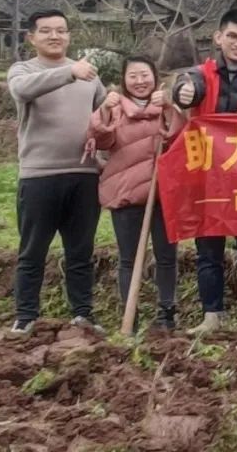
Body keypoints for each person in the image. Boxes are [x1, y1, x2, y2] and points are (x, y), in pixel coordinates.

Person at [172, 8, 237, 341]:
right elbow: (186, 87)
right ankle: (211, 315)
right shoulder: (201, 73)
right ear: (218, 37)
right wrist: (183, 92)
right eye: (232, 36)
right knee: (208, 251)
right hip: (207, 179)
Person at [7, 10, 107, 336]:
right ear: (31, 37)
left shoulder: (88, 74)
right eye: (46, 31)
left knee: (81, 251)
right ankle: (25, 316)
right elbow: (22, 90)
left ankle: (82, 314)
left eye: (61, 30)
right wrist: (69, 72)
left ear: (69, 35)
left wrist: (104, 154)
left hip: (84, 175)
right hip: (39, 176)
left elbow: (106, 116)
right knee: (33, 251)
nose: (55, 36)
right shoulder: (23, 70)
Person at [87, 55, 184, 330]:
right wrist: (104, 111)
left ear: (155, 77)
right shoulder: (115, 107)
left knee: (167, 256)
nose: (140, 81)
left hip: (163, 193)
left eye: (145, 75)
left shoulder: (166, 106)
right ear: (124, 80)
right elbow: (101, 140)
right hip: (126, 192)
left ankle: (167, 313)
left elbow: (180, 138)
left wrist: (169, 108)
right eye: (133, 76)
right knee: (129, 258)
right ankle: (130, 316)